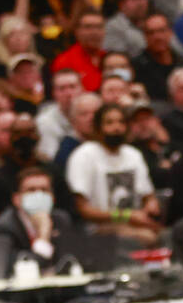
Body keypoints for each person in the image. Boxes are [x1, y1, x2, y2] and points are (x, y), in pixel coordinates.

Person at [66, 102, 161, 243]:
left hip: (135, 222)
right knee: (146, 238)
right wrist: (126, 216)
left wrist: (151, 204)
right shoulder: (84, 155)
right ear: (98, 127)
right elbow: (83, 209)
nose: (116, 128)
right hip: (97, 228)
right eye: (109, 123)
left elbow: (148, 194)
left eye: (121, 122)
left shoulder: (133, 154)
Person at [0, 166, 73, 272]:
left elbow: (70, 259)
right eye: (31, 190)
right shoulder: (4, 227)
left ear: (53, 197)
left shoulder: (61, 220)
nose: (39, 195)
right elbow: (16, 268)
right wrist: (43, 236)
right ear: (16, 199)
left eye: (44, 190)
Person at [36, 68, 82, 160]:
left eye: (72, 87)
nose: (68, 93)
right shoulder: (45, 120)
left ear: (82, 89)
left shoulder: (93, 113)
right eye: (62, 89)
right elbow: (50, 157)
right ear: (54, 93)